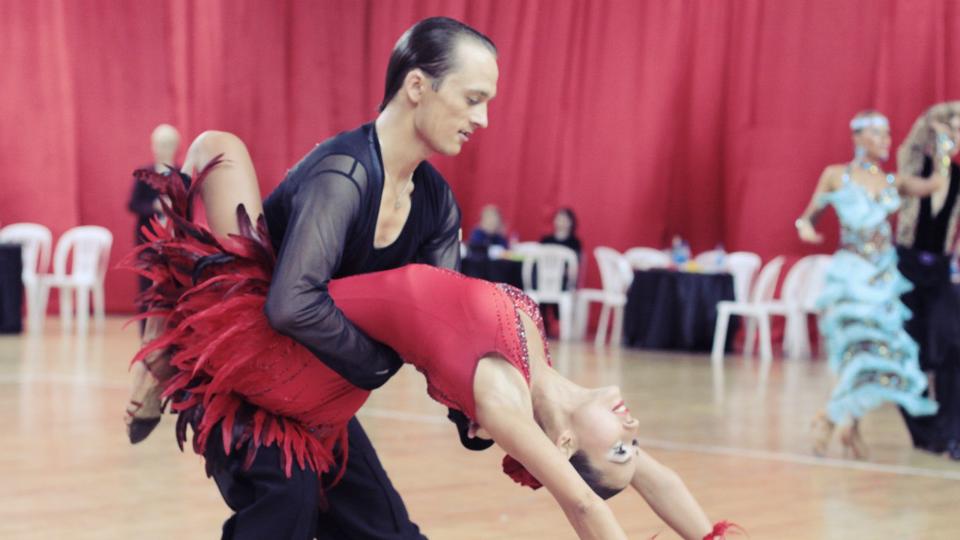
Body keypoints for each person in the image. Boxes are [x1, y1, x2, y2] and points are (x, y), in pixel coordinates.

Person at [127, 133, 737, 540]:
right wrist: (709, 536)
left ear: (566, 441)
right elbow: (657, 477)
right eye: (635, 442)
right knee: (217, 153)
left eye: (622, 448)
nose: (633, 429)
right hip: (318, 363)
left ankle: (163, 356)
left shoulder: (503, 399)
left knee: (219, 150)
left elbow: (583, 504)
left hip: (282, 362)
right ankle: (161, 356)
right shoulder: (543, 374)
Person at [125, 17, 496, 539]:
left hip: (318, 396)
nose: (482, 118)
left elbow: (442, 327)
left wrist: (471, 411)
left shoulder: (437, 204)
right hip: (246, 377)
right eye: (473, 98)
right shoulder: (343, 175)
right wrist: (379, 363)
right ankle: (156, 355)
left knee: (387, 532)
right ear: (417, 85)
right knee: (286, 501)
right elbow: (291, 305)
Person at [795, 110, 950, 459]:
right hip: (852, 277)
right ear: (857, 137)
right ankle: (832, 419)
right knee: (856, 349)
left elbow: (936, 185)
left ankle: (847, 424)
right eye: (877, 133)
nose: (885, 140)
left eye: (887, 134)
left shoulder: (893, 182)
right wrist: (805, 229)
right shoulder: (837, 176)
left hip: (882, 279)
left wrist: (942, 145)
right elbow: (808, 217)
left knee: (873, 356)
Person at [895, 102, 960, 460]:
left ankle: (953, 432)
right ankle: (925, 431)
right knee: (908, 353)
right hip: (905, 269)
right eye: (952, 129)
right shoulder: (912, 167)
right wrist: (942, 118)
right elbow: (918, 133)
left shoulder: (958, 177)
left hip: (939, 271)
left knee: (951, 347)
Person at [127, 124, 185, 330]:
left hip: (175, 242)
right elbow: (133, 204)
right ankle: (145, 332)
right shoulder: (144, 174)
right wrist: (155, 206)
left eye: (168, 144)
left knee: (175, 286)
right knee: (146, 286)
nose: (163, 148)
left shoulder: (181, 175)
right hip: (148, 242)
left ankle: (171, 332)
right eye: (160, 144)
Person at [539, 207, 582, 333]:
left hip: (563, 282)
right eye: (559, 219)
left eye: (565, 219)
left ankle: (560, 324)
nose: (561, 222)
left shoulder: (575, 243)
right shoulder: (545, 240)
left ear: (571, 223)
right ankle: (542, 325)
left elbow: (575, 266)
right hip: (544, 280)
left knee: (559, 288)